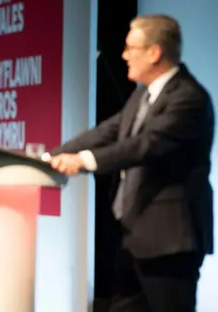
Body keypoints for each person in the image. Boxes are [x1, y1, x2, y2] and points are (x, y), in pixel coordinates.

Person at [44, 14, 214, 312]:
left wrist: (82, 161)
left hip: (171, 239)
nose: (124, 55)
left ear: (154, 52)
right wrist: (50, 157)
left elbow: (143, 146)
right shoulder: (141, 97)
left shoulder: (189, 98)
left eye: (130, 47)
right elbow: (106, 132)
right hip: (135, 233)